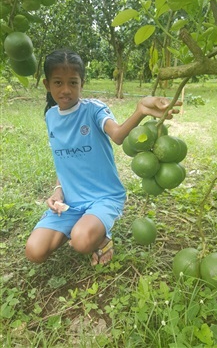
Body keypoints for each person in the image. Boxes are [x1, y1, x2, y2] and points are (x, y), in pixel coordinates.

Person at [25, 49, 182, 266]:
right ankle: (81, 226)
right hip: (70, 202)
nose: (66, 90)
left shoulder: (94, 110)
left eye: (73, 82)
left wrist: (141, 110)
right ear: (46, 84)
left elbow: (117, 135)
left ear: (82, 83)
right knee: (35, 252)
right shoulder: (51, 116)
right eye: (58, 83)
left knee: (81, 241)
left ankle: (100, 237)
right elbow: (63, 160)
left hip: (104, 197)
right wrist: (58, 190)